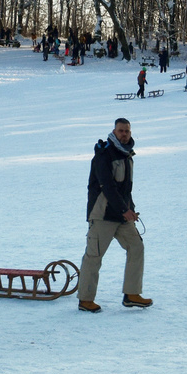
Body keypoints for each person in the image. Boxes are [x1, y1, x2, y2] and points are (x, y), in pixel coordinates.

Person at [78, 117, 150, 313]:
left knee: (136, 248)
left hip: (121, 215)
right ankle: (85, 299)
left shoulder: (127, 154)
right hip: (102, 215)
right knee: (94, 256)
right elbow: (107, 187)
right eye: (121, 131)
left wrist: (130, 209)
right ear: (114, 131)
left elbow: (125, 189)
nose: (124, 134)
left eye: (127, 131)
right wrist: (124, 210)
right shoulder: (104, 155)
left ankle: (132, 294)